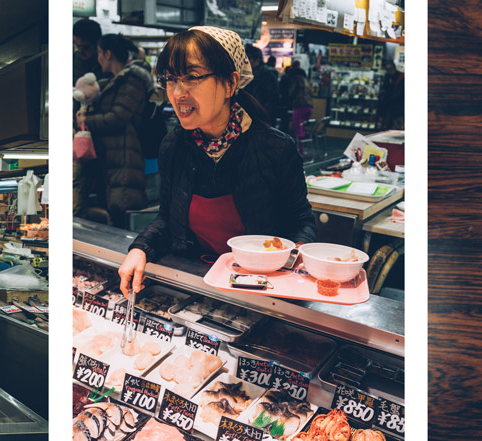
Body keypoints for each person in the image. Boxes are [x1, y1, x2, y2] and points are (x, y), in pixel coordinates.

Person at [119, 26, 315, 298]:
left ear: (230, 83)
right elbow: (167, 218)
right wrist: (140, 249)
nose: (177, 93)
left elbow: (301, 220)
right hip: (199, 285)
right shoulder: (174, 146)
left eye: (192, 77)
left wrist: (293, 260)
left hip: (262, 289)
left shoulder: (276, 148)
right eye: (171, 79)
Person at [77, 34, 153, 229]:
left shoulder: (131, 80)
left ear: (108, 54)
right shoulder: (115, 81)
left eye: (100, 53)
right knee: (112, 215)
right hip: (113, 156)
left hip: (125, 156)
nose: (98, 58)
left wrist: (87, 120)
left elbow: (118, 117)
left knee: (122, 215)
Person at [242, 45, 281, 130]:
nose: (244, 62)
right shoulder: (246, 76)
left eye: (247, 59)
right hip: (247, 121)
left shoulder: (268, 76)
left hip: (260, 122)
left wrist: (264, 121)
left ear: (257, 60)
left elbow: (272, 101)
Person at [279, 64, 314, 153]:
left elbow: (291, 92)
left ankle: (299, 152)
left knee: (297, 129)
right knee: (301, 129)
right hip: (309, 106)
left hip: (299, 105)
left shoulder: (296, 79)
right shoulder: (306, 81)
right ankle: (300, 150)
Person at [72, 18, 102, 83]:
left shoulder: (105, 64)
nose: (80, 50)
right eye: (76, 45)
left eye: (85, 47)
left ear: (97, 43)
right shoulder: (74, 59)